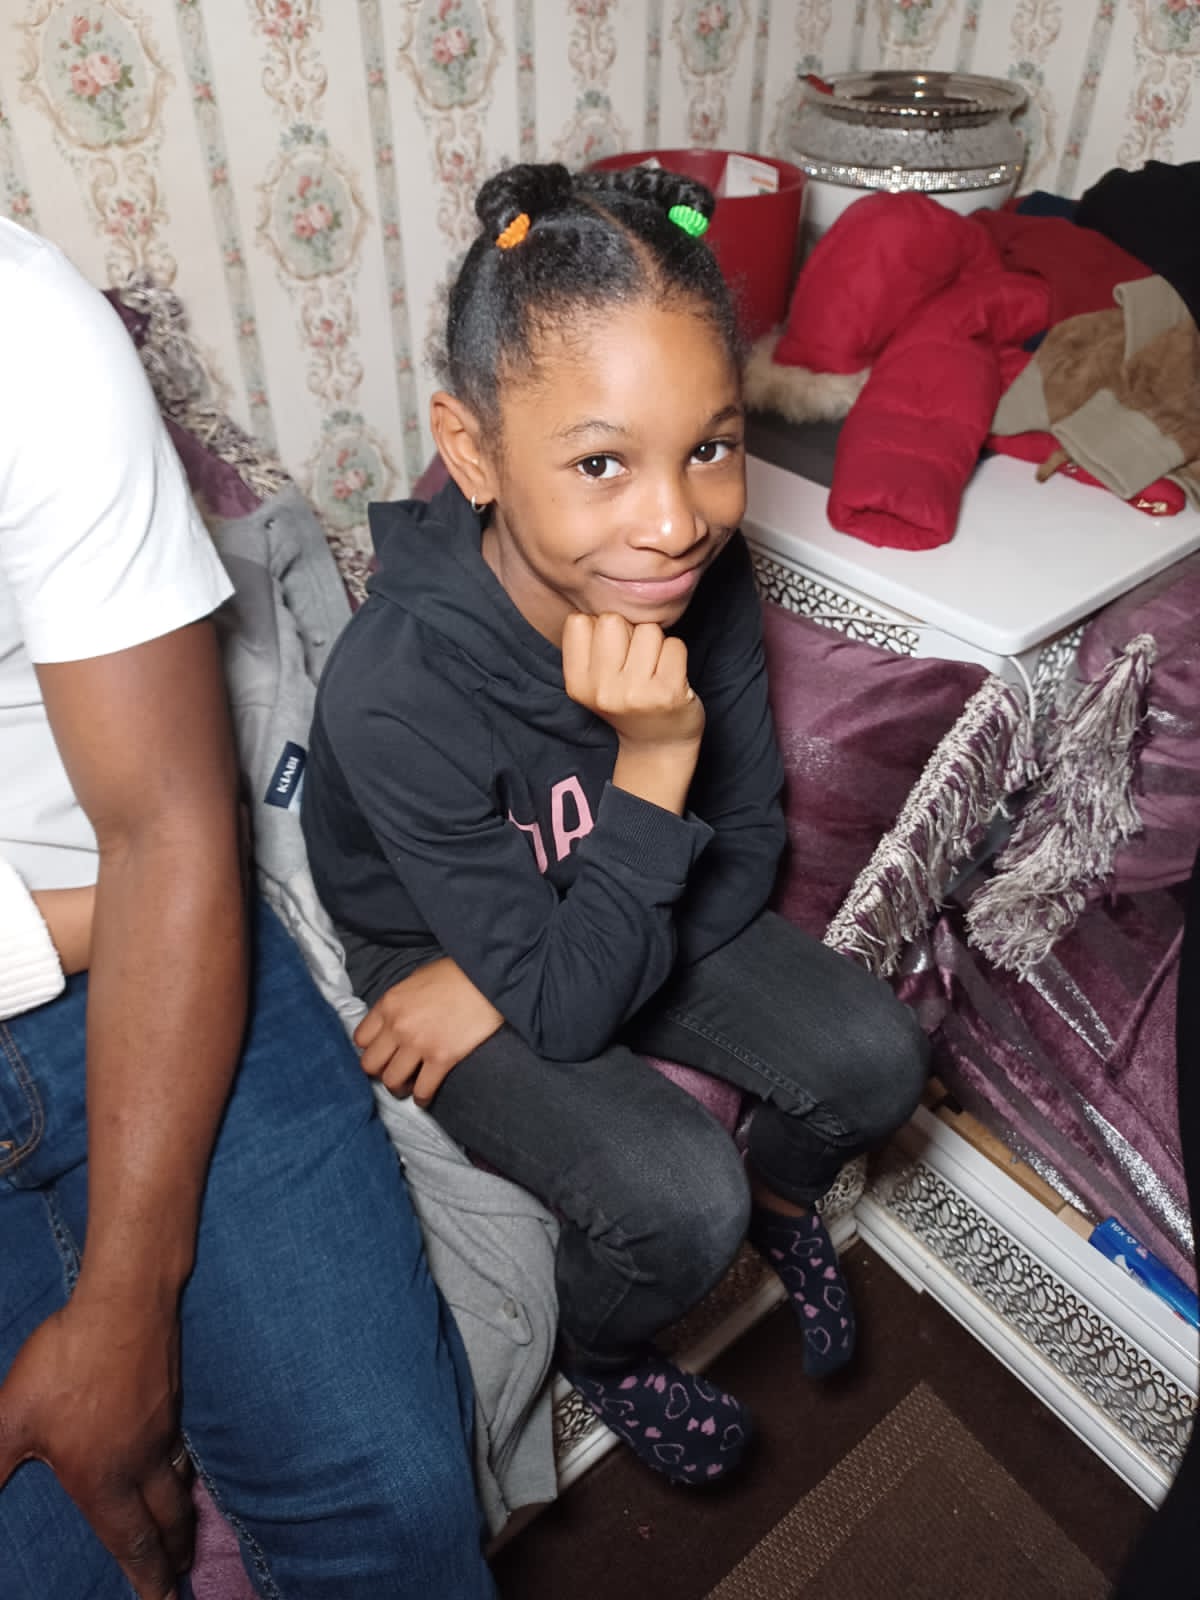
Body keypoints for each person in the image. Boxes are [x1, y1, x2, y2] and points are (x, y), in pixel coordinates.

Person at [302, 162, 929, 1487]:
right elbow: (570, 1003)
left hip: (611, 914)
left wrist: (555, 959)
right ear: (473, 451)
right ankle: (604, 1343)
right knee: (676, 1205)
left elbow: (745, 850)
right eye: (601, 462)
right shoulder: (394, 689)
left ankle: (784, 1201)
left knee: (877, 1059)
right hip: (446, 945)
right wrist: (651, 763)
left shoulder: (701, 578)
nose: (675, 522)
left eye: (710, 447)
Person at [0, 214, 496, 1599]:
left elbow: (169, 829)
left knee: (394, 1501)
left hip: (136, 933)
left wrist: (126, 1315)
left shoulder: (24, 324)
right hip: (96, 920)